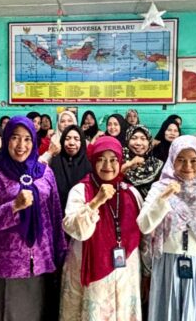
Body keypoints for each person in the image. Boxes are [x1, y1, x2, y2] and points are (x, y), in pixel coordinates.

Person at [0, 116, 67, 321]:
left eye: (27, 139)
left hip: (40, 265)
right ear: (7, 140)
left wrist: (60, 256)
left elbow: (55, 216)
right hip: (3, 266)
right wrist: (13, 207)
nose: (21, 145)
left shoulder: (45, 173)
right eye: (15, 137)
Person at [137, 136, 196, 320]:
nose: (187, 166)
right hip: (167, 267)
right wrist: (163, 198)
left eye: (193, 160)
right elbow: (144, 225)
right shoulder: (159, 189)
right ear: (172, 159)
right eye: (180, 159)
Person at [59, 136, 143, 321]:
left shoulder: (131, 192)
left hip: (125, 271)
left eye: (113, 160)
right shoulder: (81, 190)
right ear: (93, 161)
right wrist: (96, 201)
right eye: (101, 159)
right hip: (90, 269)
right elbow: (75, 229)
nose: (107, 166)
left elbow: (143, 233)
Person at [49, 125, 92, 211]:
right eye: (67, 138)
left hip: (80, 214)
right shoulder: (54, 162)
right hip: (56, 212)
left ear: (82, 142)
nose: (71, 143)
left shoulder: (88, 166)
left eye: (76, 139)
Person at [122, 125, 163, 198]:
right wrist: (129, 164)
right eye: (133, 138)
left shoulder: (157, 165)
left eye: (143, 139)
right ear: (127, 140)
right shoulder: (118, 160)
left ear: (149, 142)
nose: (138, 143)